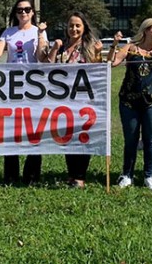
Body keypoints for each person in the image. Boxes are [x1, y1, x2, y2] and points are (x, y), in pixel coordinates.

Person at [107, 18, 152, 191]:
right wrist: (114, 45)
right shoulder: (131, 47)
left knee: (150, 140)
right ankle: (126, 174)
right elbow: (112, 63)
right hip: (129, 102)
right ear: (146, 30)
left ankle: (149, 175)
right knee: (130, 140)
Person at [39, 11, 103, 188]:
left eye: (77, 26)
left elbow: (97, 70)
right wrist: (52, 47)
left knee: (82, 137)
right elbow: (46, 65)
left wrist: (98, 54)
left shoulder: (89, 47)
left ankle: (80, 177)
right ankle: (71, 175)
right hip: (63, 101)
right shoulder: (61, 45)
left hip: (83, 101)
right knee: (68, 137)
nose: (73, 29)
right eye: (71, 25)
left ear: (83, 28)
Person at [0, 0, 47, 185]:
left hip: (33, 85)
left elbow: (40, 57)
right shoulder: (9, 32)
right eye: (20, 10)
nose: (23, 13)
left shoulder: (39, 32)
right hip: (11, 85)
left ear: (33, 13)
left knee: (34, 130)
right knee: (11, 130)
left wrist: (40, 36)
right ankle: (10, 176)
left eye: (27, 9)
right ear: (15, 13)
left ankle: (32, 176)